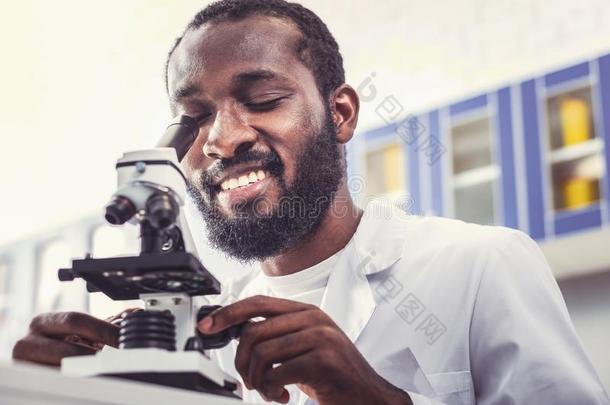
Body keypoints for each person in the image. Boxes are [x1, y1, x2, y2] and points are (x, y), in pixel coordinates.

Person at [12, 1, 610, 404]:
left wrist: (379, 400)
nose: (222, 138)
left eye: (265, 97)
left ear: (341, 113)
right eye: (194, 118)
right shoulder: (199, 329)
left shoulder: (481, 265)